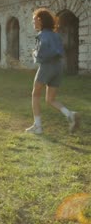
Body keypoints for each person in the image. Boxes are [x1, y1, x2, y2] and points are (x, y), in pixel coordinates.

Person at [25, 7, 80, 135]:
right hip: (58, 68)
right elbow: (59, 51)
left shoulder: (42, 36)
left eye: (34, 20)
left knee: (35, 95)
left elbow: (43, 54)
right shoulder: (55, 35)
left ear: (40, 20)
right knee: (50, 99)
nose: (33, 23)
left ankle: (38, 127)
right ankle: (70, 114)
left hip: (47, 67)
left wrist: (35, 54)